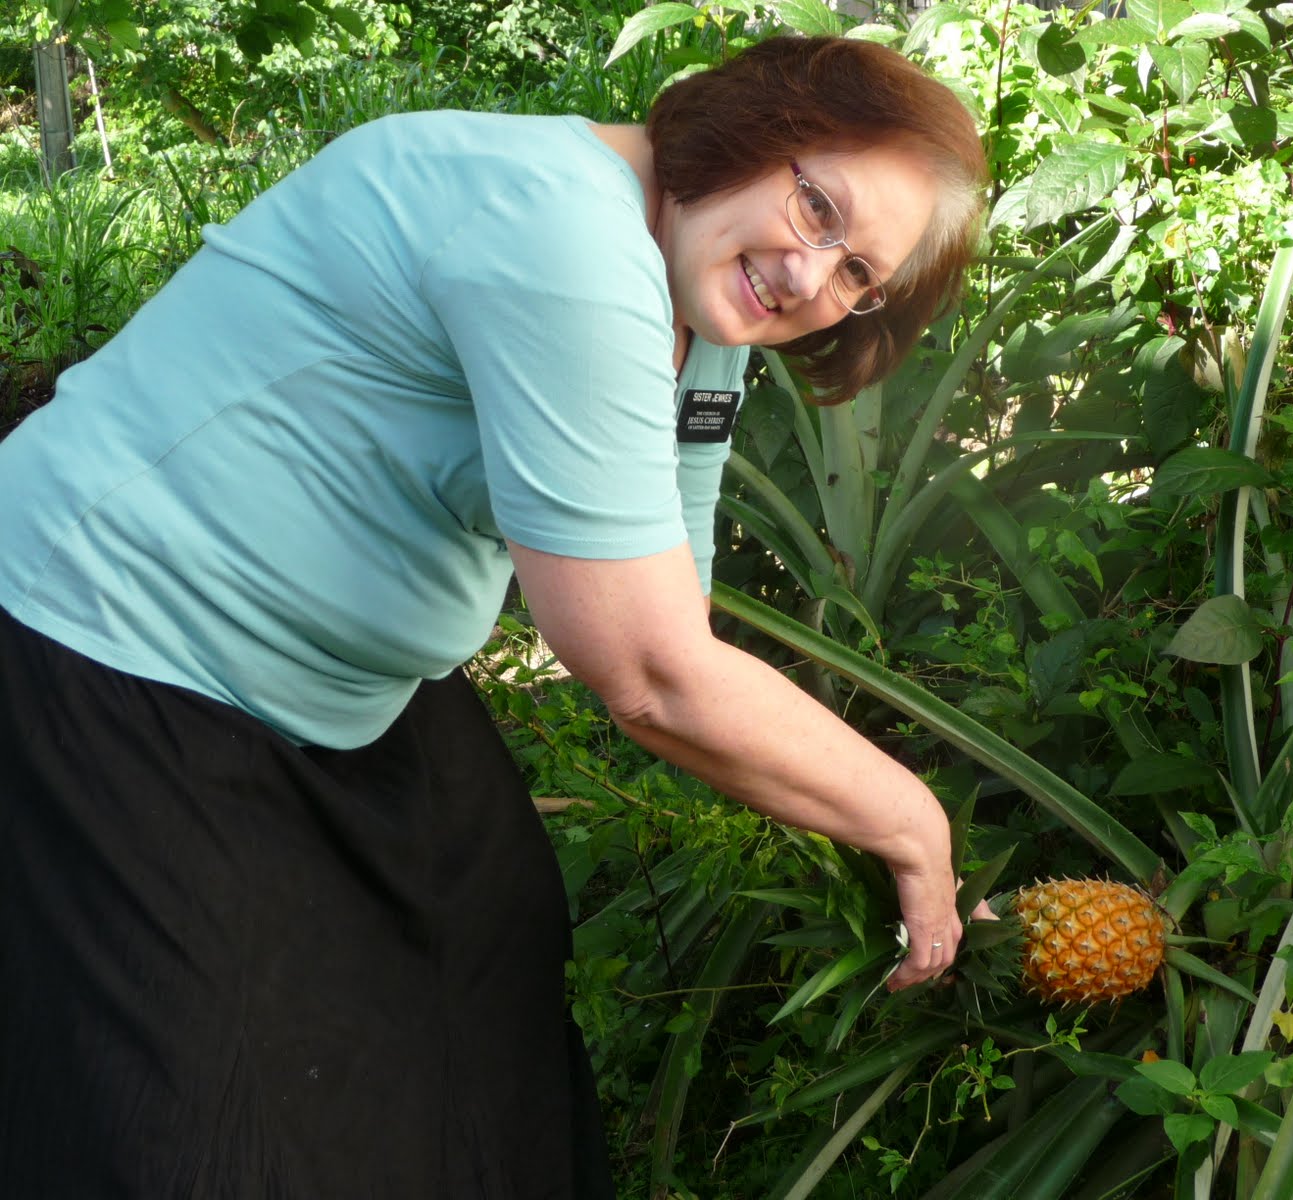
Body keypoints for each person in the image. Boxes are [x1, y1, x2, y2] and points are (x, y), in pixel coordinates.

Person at [0, 34, 987, 1199]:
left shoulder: (703, 320)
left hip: (335, 694)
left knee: (481, 975)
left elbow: (676, 599)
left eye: (857, 276)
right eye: (817, 206)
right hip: (110, 642)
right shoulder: (559, 231)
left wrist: (765, 741)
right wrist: (909, 821)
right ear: (757, 128)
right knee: (184, 1113)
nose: (810, 277)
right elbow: (649, 673)